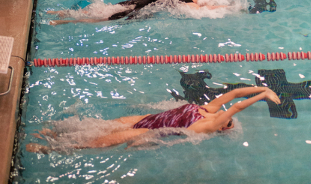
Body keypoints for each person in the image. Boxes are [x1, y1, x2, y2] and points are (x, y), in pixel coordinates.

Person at [26, 87, 280, 152]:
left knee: (101, 140)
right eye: (229, 119)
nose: (227, 118)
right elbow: (234, 94)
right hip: (149, 119)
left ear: (222, 128)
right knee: (101, 126)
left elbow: (236, 105)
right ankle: (53, 131)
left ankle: (49, 147)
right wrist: (262, 89)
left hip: (147, 130)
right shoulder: (210, 110)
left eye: (228, 122)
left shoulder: (210, 124)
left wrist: (263, 95)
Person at [47, 0, 229, 25]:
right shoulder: (188, 4)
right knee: (96, 18)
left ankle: (57, 13)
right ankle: (61, 21)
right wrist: (225, 7)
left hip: (134, 2)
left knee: (99, 10)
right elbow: (204, 10)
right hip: (134, 10)